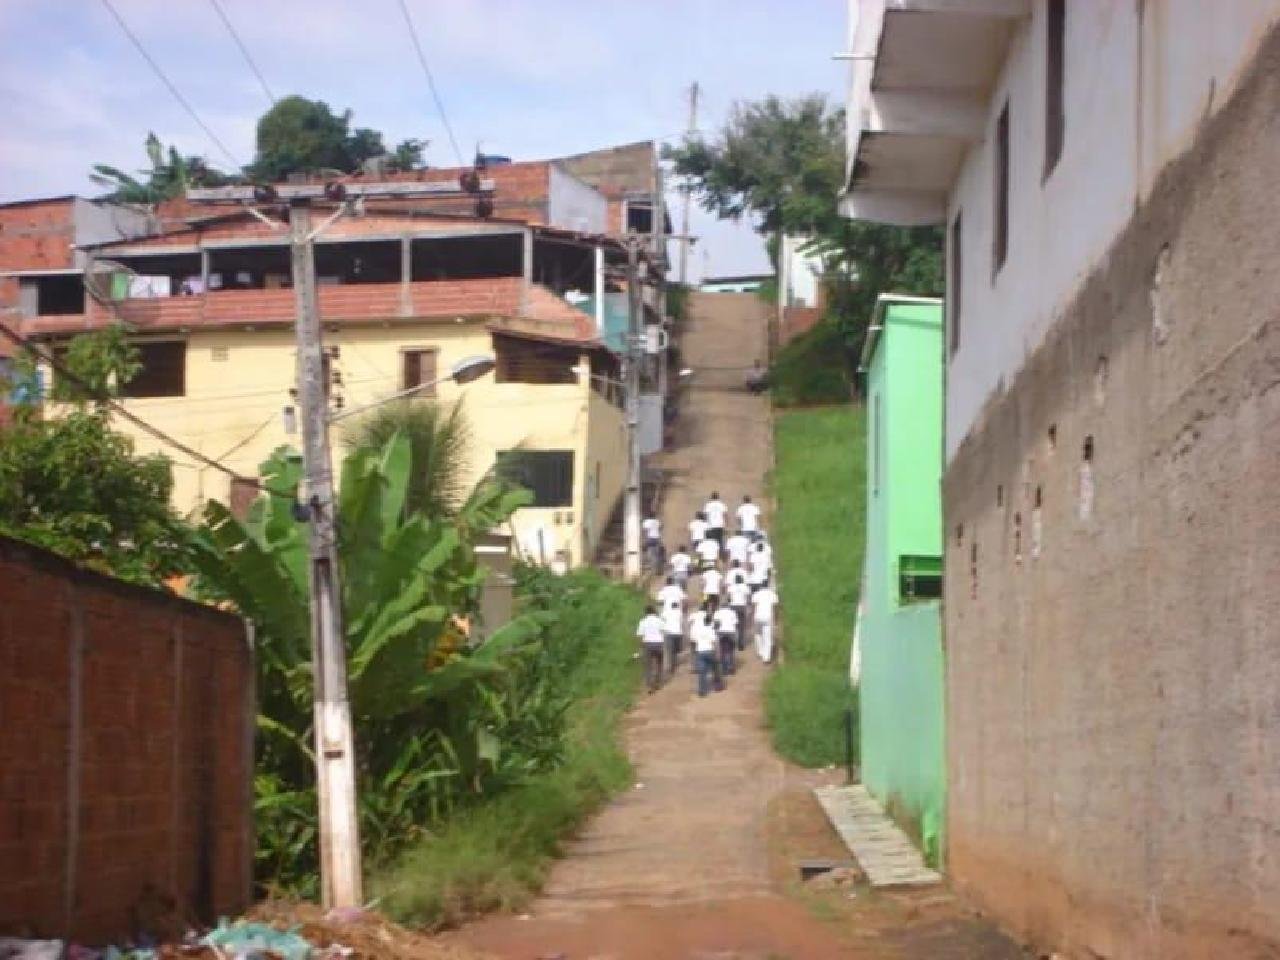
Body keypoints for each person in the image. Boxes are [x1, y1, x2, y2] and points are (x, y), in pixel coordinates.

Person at [689, 604, 722, 696]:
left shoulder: (699, 630)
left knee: (702, 672)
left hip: (700, 652)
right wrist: (718, 653)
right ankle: (718, 686)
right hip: (710, 651)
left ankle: (701, 690)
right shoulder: (711, 630)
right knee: (715, 668)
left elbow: (694, 640)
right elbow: (715, 643)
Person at [636, 605, 666, 693]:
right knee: (659, 663)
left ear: (646, 612)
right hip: (658, 643)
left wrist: (640, 647)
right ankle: (658, 682)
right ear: (654, 611)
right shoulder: (659, 620)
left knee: (648, 666)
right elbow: (663, 631)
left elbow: (640, 635)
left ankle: (649, 685)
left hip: (647, 644)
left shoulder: (643, 621)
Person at [752, 579, 780, 663]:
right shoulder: (772, 594)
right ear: (767, 585)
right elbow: (775, 607)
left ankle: (760, 651)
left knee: (758, 634)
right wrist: (776, 618)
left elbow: (754, 605)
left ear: (761, 585)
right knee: (767, 637)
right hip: (768, 617)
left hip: (757, 616)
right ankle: (766, 657)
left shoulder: (756, 594)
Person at [712, 600, 739, 676]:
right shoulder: (732, 612)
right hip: (731, 631)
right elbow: (736, 623)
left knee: (722, 651)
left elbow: (716, 624)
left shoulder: (717, 613)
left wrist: (716, 633)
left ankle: (724, 669)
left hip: (721, 632)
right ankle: (730, 667)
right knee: (730, 650)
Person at [726, 575, 752, 651]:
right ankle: (740, 644)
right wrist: (748, 606)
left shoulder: (731, 587)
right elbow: (748, 598)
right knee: (741, 626)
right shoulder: (745, 587)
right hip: (741, 606)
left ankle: (733, 642)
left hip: (733, 606)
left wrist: (729, 603)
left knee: (733, 625)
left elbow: (728, 597)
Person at [662, 598, 685, 675]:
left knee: (670, 650)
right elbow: (681, 622)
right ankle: (674, 663)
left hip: (669, 633)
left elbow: (662, 620)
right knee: (676, 650)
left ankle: (671, 665)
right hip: (678, 633)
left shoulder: (665, 612)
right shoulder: (679, 613)